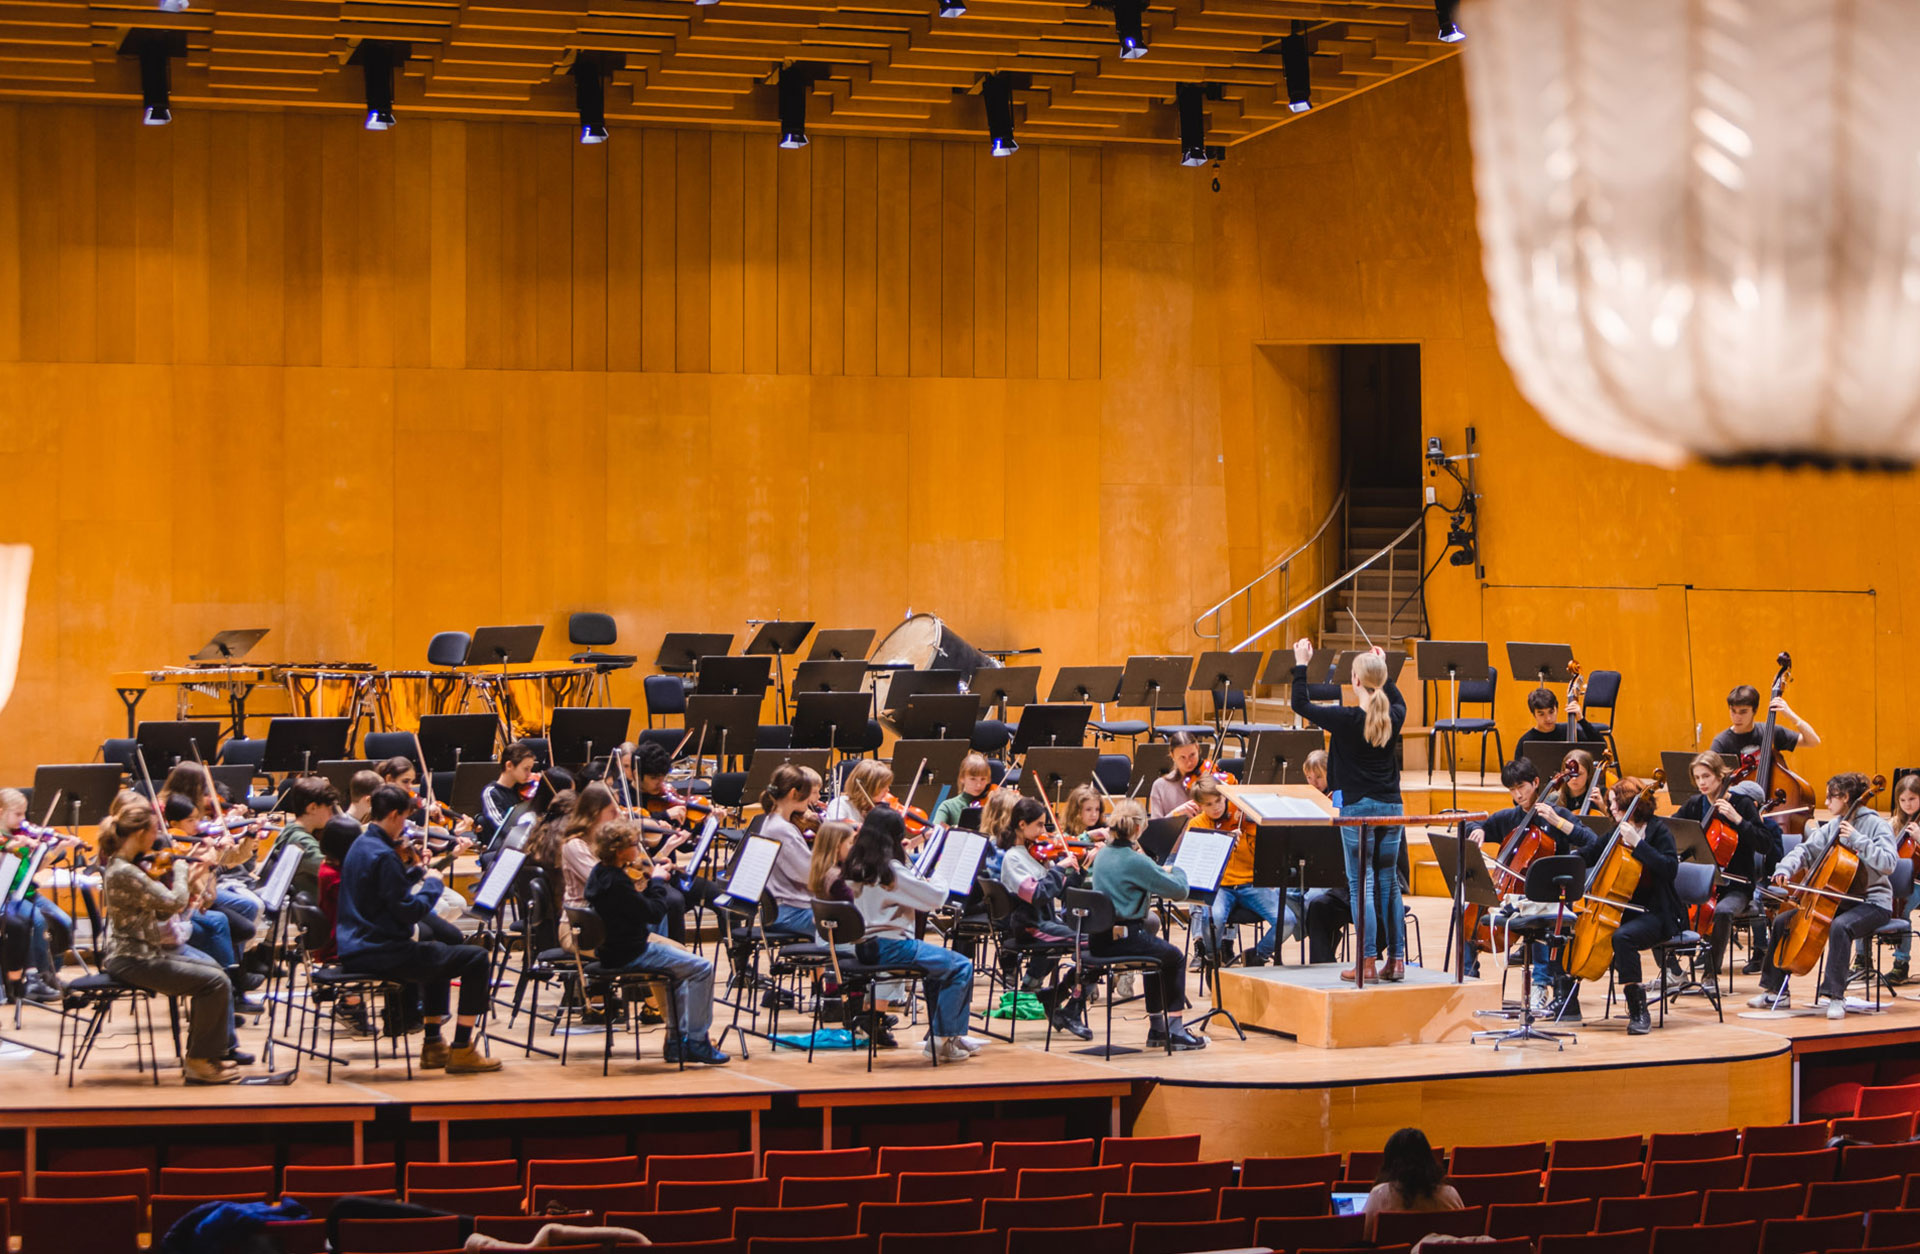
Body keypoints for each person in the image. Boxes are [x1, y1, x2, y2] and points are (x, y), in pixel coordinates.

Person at [338, 785, 502, 1072]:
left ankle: (434, 1046)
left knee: (436, 953)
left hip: (356, 945)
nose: (405, 826)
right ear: (393, 815)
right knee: (476, 959)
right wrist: (433, 884)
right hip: (381, 950)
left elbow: (384, 890)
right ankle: (462, 1049)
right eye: (404, 818)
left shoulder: (361, 845)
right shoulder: (385, 855)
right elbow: (409, 911)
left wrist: (416, 871)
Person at [97, 800, 242, 1085]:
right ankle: (198, 1061)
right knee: (214, 982)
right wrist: (180, 868)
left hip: (142, 953)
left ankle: (209, 1055)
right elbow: (175, 903)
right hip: (132, 959)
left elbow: (163, 910)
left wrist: (189, 871)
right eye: (152, 831)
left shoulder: (127, 866)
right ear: (139, 833)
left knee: (216, 973)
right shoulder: (125, 871)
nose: (157, 838)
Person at [1291, 639, 1407, 982]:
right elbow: (1395, 697)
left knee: (1363, 884)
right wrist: (1384, 669)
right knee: (1389, 884)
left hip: (1357, 809)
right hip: (1392, 806)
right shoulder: (1396, 716)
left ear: (1355, 681)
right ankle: (1397, 961)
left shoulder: (1344, 718)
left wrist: (1301, 663)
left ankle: (1367, 962)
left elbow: (1300, 703)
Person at [1749, 772, 1896, 1021]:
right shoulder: (1834, 825)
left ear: (1846, 797)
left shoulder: (1876, 825)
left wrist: (1858, 840)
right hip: (1840, 900)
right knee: (1784, 921)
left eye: (1831, 797)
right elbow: (1805, 851)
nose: (1826, 803)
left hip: (1873, 901)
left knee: (1841, 926)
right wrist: (1785, 868)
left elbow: (1889, 864)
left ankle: (1835, 996)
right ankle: (1776, 991)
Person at [839, 807, 980, 1063]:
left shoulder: (856, 865)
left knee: (941, 967)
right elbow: (934, 899)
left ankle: (947, 1036)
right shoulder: (889, 870)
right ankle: (941, 1040)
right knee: (961, 965)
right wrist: (941, 874)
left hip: (863, 945)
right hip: (891, 946)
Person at [584, 819, 729, 1065]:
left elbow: (635, 907)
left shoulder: (601, 873)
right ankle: (696, 1042)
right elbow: (653, 912)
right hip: (630, 952)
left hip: (612, 948)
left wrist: (648, 878)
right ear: (619, 851)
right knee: (702, 968)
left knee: (680, 973)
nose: (638, 848)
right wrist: (658, 882)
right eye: (633, 844)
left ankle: (675, 1043)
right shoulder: (617, 883)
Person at [1461, 759, 1602, 1012]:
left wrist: (1560, 823)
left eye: (1522, 787)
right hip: (1509, 895)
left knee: (1538, 910)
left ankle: (1540, 986)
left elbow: (1592, 841)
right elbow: (1474, 823)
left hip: (1550, 897)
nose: (1517, 795)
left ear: (1536, 783)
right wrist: (1478, 830)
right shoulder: (1509, 818)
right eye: (1512, 790)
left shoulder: (1558, 816)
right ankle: (1470, 980)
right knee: (1463, 916)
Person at [1089, 800, 1204, 1050]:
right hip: (1125, 938)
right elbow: (1180, 891)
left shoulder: (1103, 855)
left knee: (1158, 956)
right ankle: (1174, 1030)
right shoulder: (1135, 860)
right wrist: (1177, 868)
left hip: (1099, 939)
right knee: (1174, 957)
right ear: (1140, 829)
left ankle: (1157, 1029)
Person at [1577, 778, 1684, 1035]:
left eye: (1614, 802)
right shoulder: (1616, 831)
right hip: (1623, 910)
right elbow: (1589, 853)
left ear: (1629, 803)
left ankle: (1638, 1010)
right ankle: (1567, 1001)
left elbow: (1669, 869)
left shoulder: (1658, 831)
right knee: (1572, 926)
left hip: (1657, 914)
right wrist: (1562, 864)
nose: (1610, 808)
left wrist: (1638, 843)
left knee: (1623, 938)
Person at [1674, 751, 1781, 997]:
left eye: (1707, 776)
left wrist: (1739, 821)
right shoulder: (1695, 804)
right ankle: (1674, 971)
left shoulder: (1741, 804)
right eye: (1698, 777)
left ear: (1721, 776)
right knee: (1659, 902)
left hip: (1736, 887)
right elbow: (1673, 829)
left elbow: (1765, 844)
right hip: (1701, 886)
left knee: (1722, 911)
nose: (1702, 782)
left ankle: (1710, 974)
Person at [997, 796, 1092, 1040]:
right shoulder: (1013, 859)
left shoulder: (1037, 854)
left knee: (1097, 943)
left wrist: (1078, 870)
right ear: (1021, 825)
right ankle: (1070, 1006)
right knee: (1092, 945)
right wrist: (1059, 868)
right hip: (1030, 926)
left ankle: (1059, 996)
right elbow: (1037, 895)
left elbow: (1062, 892)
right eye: (1039, 825)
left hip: (1047, 922)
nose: (1044, 831)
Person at [1186, 775, 1297, 968]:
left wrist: (1252, 830)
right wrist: (1223, 842)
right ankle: (1212, 957)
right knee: (1213, 918)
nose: (1217, 807)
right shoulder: (1197, 825)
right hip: (1220, 887)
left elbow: (1266, 854)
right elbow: (1199, 862)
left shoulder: (1244, 819)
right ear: (1200, 806)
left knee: (1287, 920)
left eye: (1219, 800)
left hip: (1251, 884)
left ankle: (1257, 955)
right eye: (1209, 804)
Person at [1362, 1128, 1463, 1242]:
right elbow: (1461, 1238)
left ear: (1389, 1161)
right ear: (1429, 1158)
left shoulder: (1379, 1194)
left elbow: (1363, 1238)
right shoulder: (1450, 1194)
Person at [760, 764, 825, 934]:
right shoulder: (781, 829)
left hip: (788, 908)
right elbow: (810, 876)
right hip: (791, 912)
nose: (811, 801)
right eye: (807, 795)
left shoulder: (772, 821)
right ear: (793, 794)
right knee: (856, 922)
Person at [263, 776, 339, 903]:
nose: (332, 814)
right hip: (320, 908)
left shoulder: (290, 828)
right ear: (312, 808)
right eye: (329, 808)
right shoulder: (302, 842)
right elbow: (334, 873)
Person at [1712, 684, 1821, 756]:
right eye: (1733, 711)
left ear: (1755, 710)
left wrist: (1792, 716)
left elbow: (1813, 741)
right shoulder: (1721, 742)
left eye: (1743, 712)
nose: (1736, 717)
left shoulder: (1769, 732)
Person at [1886, 775, 1920, 984]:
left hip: (1918, 883)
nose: (1907, 804)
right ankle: (1863, 961)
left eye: (1913, 799)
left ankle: (1901, 963)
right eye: (1903, 800)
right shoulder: (1894, 823)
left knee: (1903, 908)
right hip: (1898, 882)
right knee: (1866, 900)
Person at [477, 741, 541, 844]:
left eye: (531, 769)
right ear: (509, 765)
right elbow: (501, 826)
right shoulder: (491, 793)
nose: (530, 774)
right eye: (526, 769)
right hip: (504, 847)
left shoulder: (525, 789)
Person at [1513, 687, 1602, 753]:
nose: (1548, 718)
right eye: (1541, 714)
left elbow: (1601, 747)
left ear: (1557, 710)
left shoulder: (1569, 731)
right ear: (1534, 714)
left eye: (1551, 712)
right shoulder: (1526, 742)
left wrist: (1581, 720)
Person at [1150, 732, 1214, 820]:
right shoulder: (1159, 786)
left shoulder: (1210, 777)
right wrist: (1176, 813)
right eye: (1182, 757)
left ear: (1197, 748)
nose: (1189, 762)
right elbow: (1156, 828)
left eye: (1192, 755)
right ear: (1172, 755)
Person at [933, 754, 995, 828]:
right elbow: (936, 830)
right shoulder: (948, 806)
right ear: (962, 778)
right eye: (973, 779)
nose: (979, 785)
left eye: (983, 779)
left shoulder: (992, 804)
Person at [828, 760, 893, 827]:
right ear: (868, 786)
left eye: (888, 785)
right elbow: (836, 826)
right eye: (882, 786)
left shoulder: (878, 806)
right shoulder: (840, 804)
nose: (887, 790)